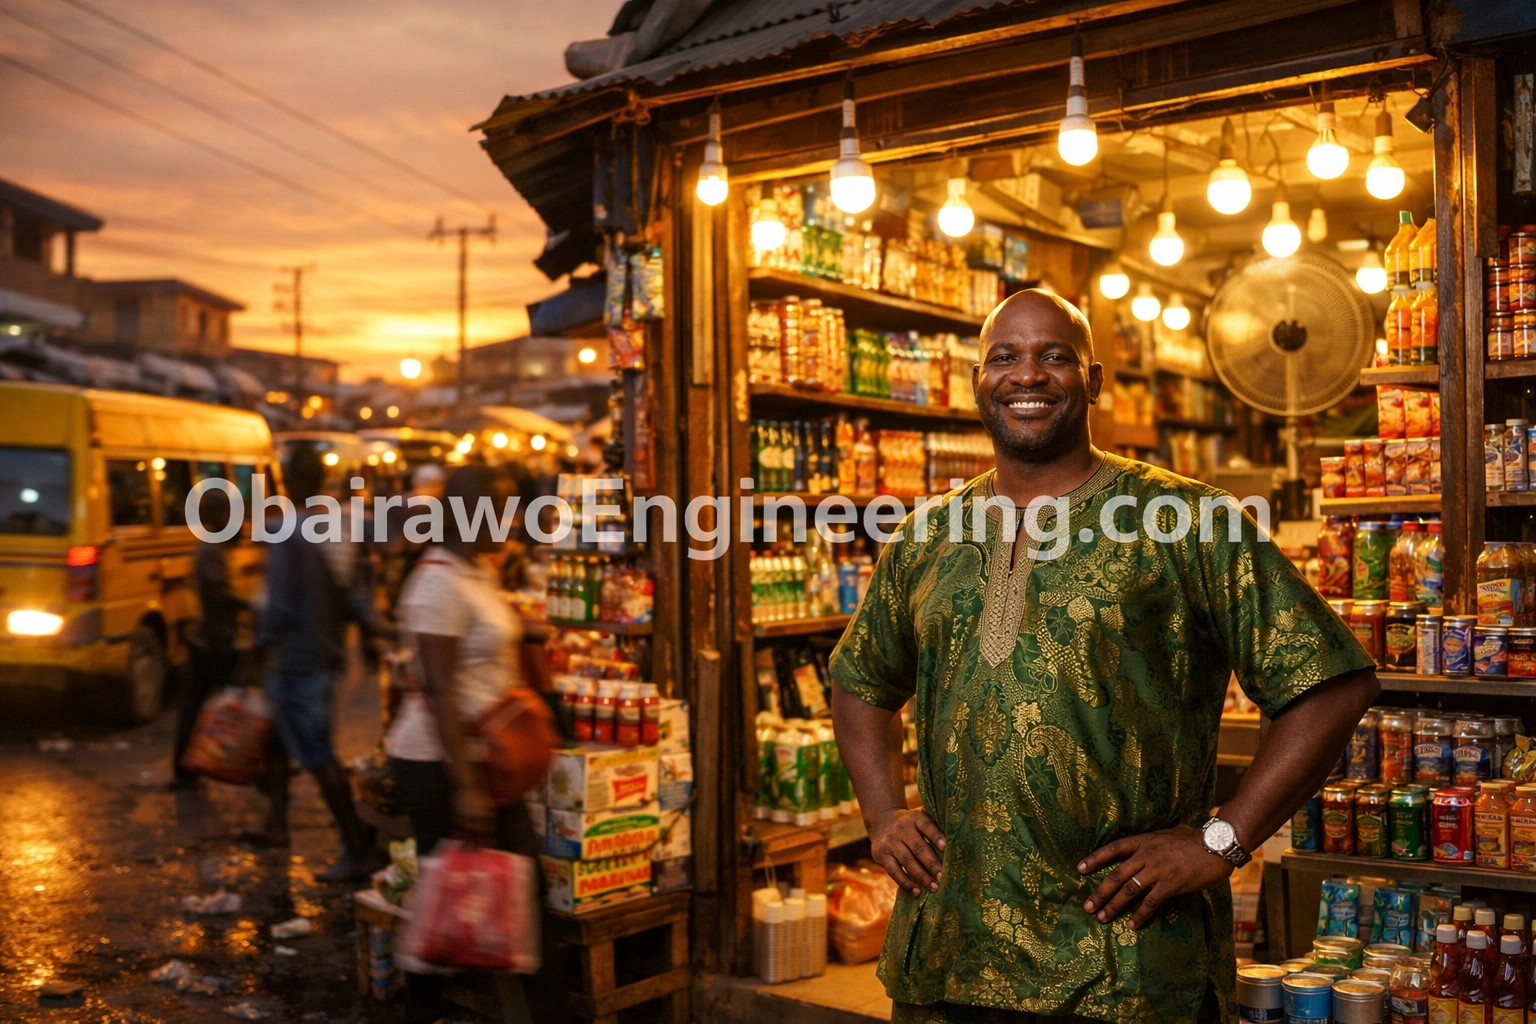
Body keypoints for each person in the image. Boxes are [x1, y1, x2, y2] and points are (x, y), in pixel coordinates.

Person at [828, 290, 1379, 1024]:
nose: (1027, 375)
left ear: (1091, 382)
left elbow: (1330, 681)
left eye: (1054, 356)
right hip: (947, 957)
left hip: (1125, 968)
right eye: (1005, 357)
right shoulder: (927, 536)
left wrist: (1223, 838)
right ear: (976, 382)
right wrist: (882, 814)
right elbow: (860, 680)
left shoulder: (1186, 521)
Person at [384, 463, 568, 1024]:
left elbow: (482, 639)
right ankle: (432, 1007)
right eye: (504, 508)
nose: (514, 519)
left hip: (479, 758)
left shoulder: (474, 571)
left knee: (471, 890)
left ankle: (433, 1005)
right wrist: (466, 788)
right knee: (457, 890)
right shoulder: (437, 581)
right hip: (440, 763)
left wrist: (530, 632)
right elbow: (438, 689)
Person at [251, 447, 386, 880]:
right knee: (277, 743)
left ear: (287, 482)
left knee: (318, 756)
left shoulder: (287, 532)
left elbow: (281, 607)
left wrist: (255, 652)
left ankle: (357, 848)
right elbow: (352, 594)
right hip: (325, 655)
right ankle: (275, 822)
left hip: (297, 662)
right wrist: (376, 630)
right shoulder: (337, 529)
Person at [169, 487, 249, 788]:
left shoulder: (212, 548)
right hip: (215, 643)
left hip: (211, 639)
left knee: (197, 704)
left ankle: (186, 769)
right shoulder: (210, 550)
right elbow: (218, 594)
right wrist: (250, 606)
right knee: (241, 705)